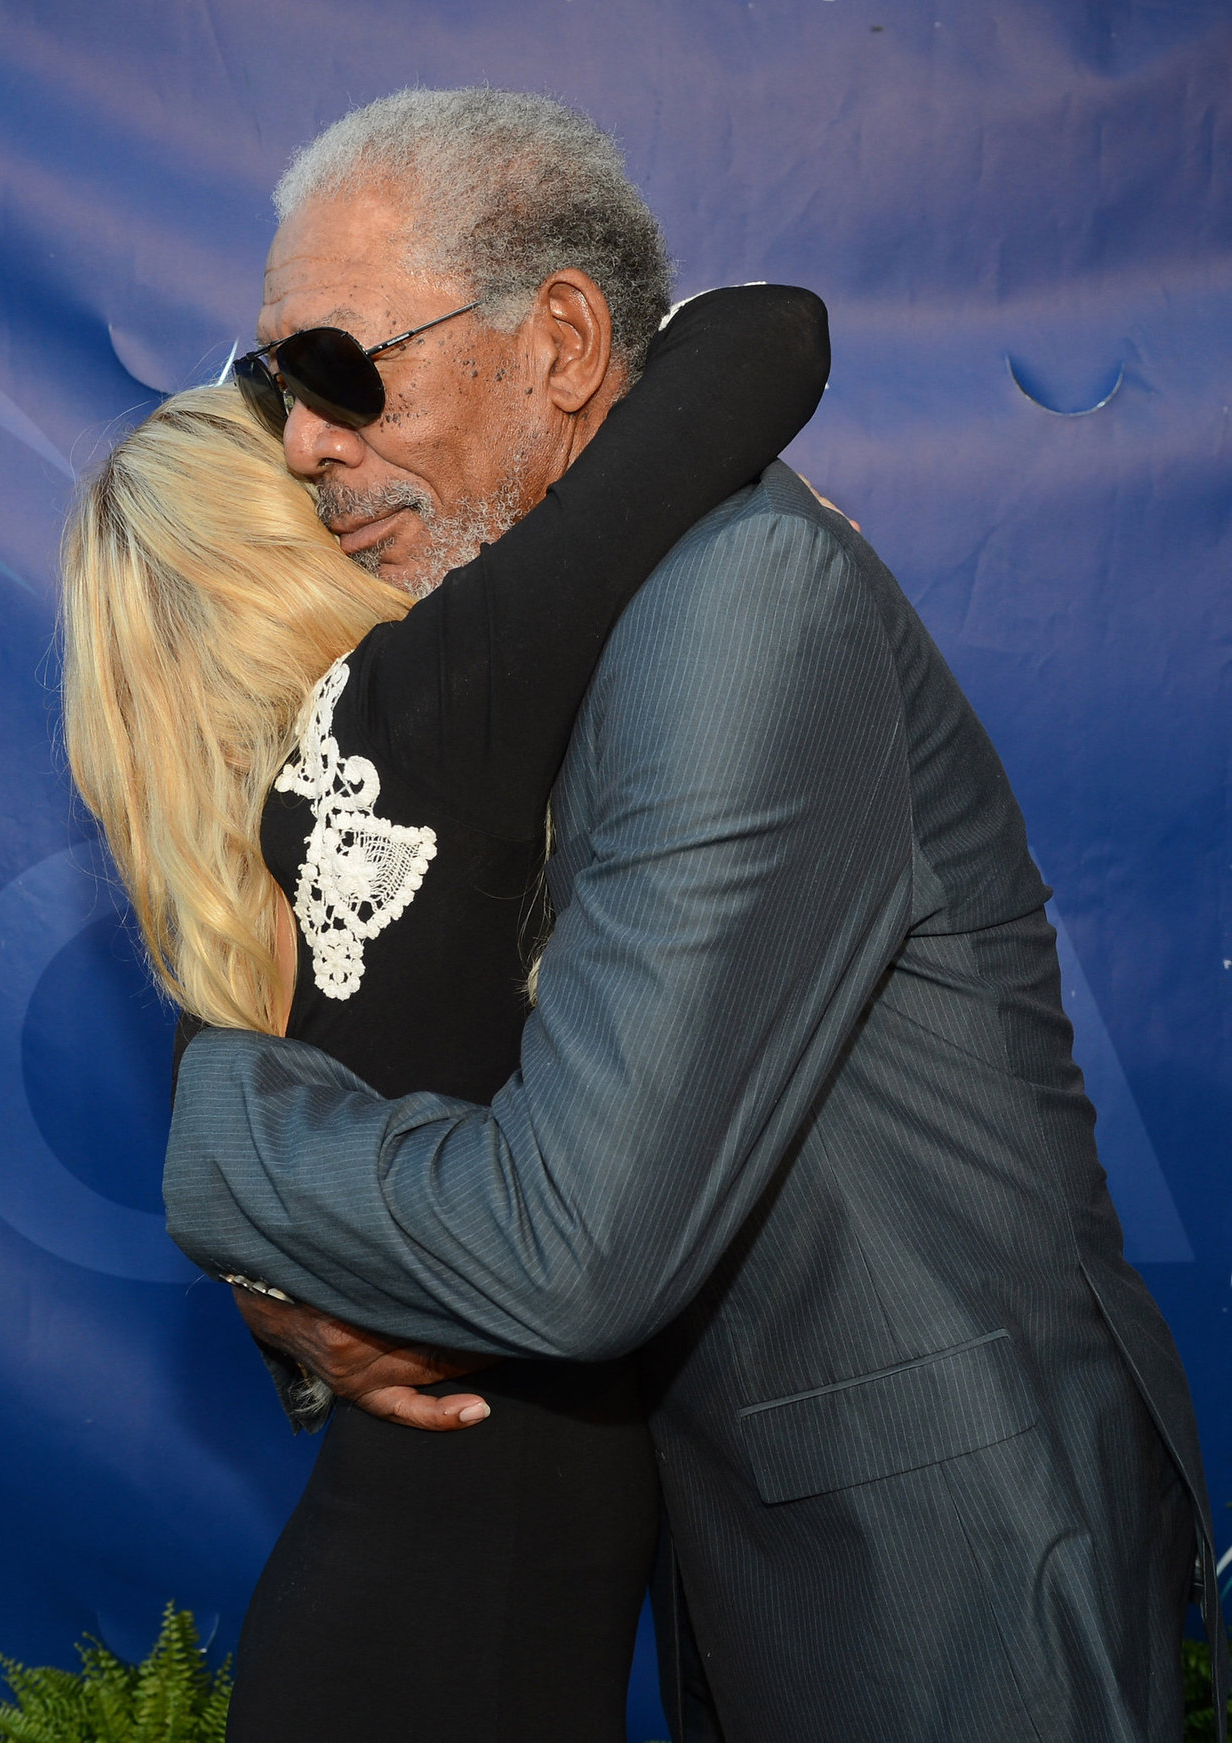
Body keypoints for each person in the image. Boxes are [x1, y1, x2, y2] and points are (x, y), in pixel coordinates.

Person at [163, 88, 1226, 1743]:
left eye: (339, 372)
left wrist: (219, 1136)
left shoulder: (742, 600)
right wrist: (297, 1297)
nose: (301, 443)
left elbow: (575, 1243)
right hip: (756, 1554)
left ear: (564, 343)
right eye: (270, 386)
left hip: (951, 1576)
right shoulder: (563, 623)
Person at [63, 277, 831, 1741]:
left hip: (393, 1644)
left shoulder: (255, 868)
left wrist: (281, 1298)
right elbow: (767, 332)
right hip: (459, 1674)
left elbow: (254, 1154)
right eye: (306, 452)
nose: (339, 463)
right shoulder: (430, 710)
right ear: (279, 540)